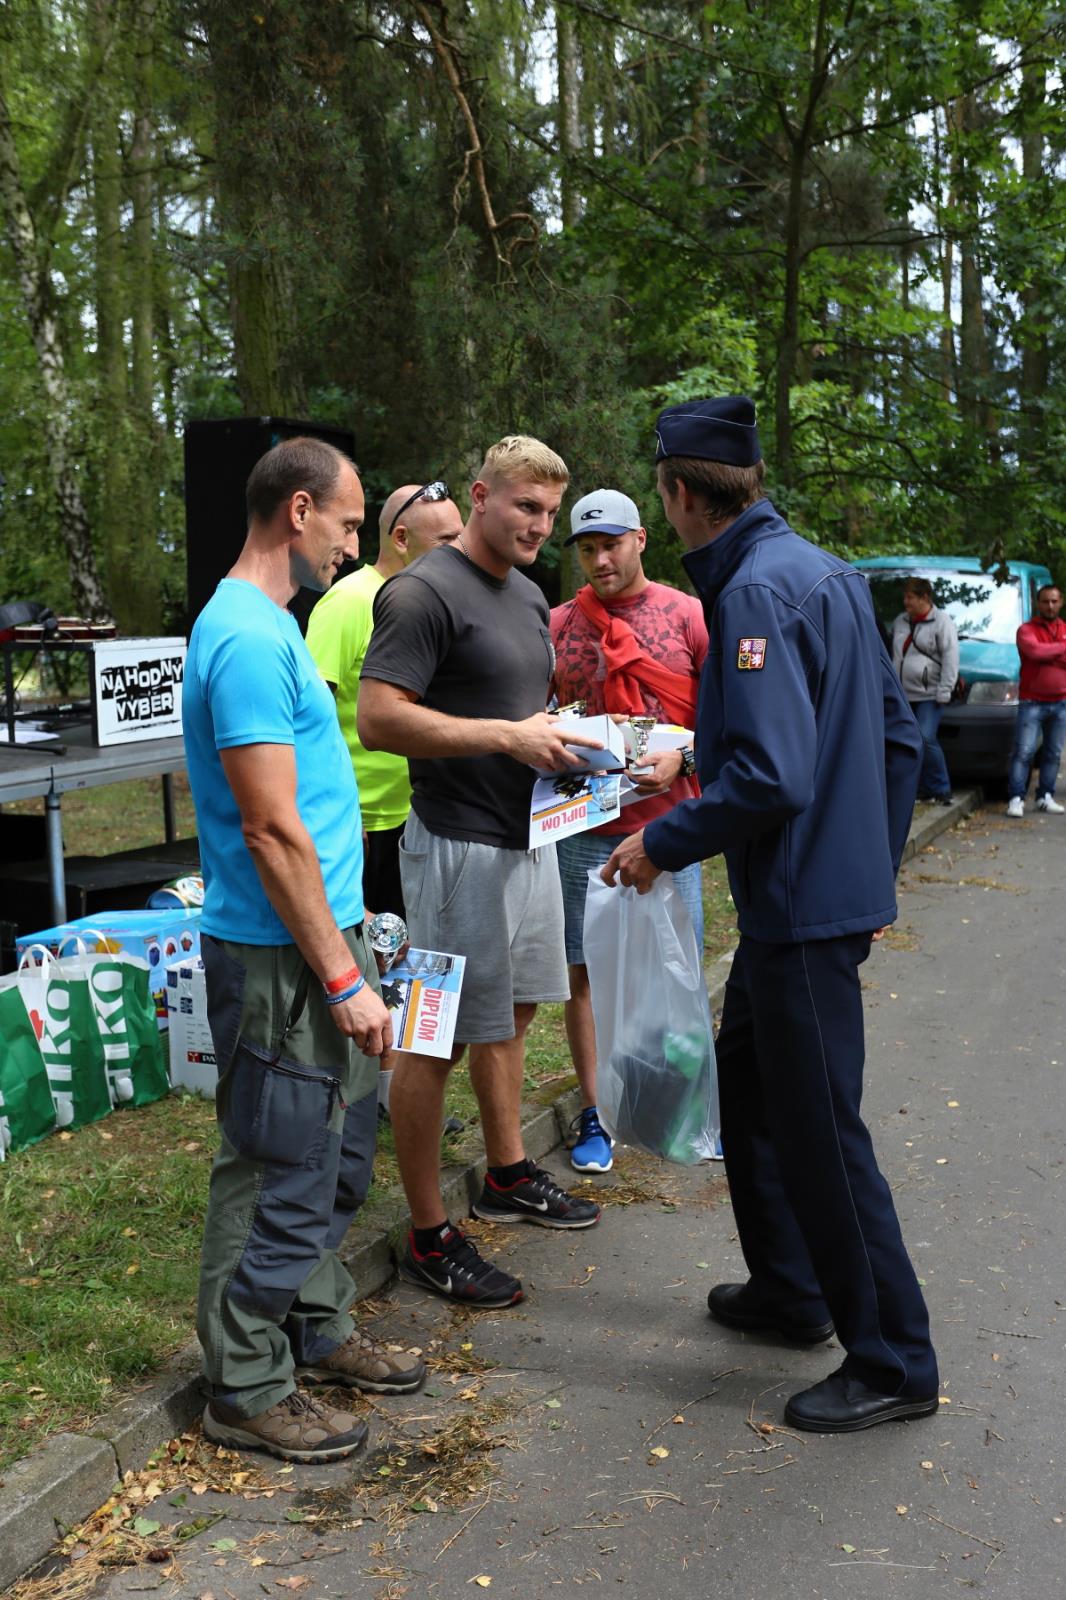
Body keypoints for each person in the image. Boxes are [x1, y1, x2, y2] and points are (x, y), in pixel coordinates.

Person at [603, 396, 939, 1434]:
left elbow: (772, 779)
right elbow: (894, 739)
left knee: (821, 1132)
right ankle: (790, 1287)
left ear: (674, 493)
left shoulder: (751, 593)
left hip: (796, 908)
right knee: (746, 1078)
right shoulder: (825, 572)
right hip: (816, 896)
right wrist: (867, 874)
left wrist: (657, 842)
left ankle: (890, 1358)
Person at [183, 437, 426, 1466]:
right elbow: (271, 829)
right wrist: (337, 977)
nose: (351, 539)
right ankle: (242, 1383)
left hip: (322, 938)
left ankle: (313, 1324)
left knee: (329, 1151)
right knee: (277, 1158)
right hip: (283, 955)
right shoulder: (242, 638)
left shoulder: (272, 627)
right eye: (345, 518)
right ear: (296, 510)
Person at [358, 435, 603, 1311]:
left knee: (516, 1011)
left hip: (529, 838)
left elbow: (517, 707)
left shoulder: (530, 593)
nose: (539, 524)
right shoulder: (421, 592)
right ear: (481, 497)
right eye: (524, 507)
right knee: (436, 1038)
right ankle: (429, 1234)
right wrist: (507, 737)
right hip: (453, 851)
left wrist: (569, 742)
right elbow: (380, 719)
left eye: (549, 511)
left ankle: (506, 1172)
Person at [549, 487, 708, 1173]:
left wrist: (688, 757)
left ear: (641, 538)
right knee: (587, 976)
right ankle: (597, 1113)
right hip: (584, 826)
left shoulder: (689, 615)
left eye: (610, 543)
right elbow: (538, 714)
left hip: (675, 828)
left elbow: (726, 718)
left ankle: (683, 1105)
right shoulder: (555, 624)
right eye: (587, 548)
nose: (599, 558)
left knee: (681, 971)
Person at [305, 482, 463, 1117]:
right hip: (367, 826)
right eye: (446, 540)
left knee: (418, 960)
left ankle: (407, 1094)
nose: (460, 548)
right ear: (402, 538)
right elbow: (310, 722)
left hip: (424, 818)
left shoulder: (438, 599)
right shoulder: (348, 604)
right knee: (377, 959)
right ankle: (375, 1098)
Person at [890, 577, 959, 805]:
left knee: (926, 738)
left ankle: (941, 788)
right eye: (904, 596)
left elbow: (951, 658)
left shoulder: (942, 622)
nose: (905, 601)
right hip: (904, 693)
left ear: (924, 598)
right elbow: (896, 656)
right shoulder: (901, 621)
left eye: (910, 597)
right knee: (907, 742)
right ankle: (919, 789)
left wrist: (945, 689)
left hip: (930, 693)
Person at [1005, 583, 1066, 818]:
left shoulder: (1063, 628)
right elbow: (1034, 653)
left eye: (1054, 601)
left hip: (1061, 702)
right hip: (1032, 701)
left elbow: (1042, 653)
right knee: (1024, 751)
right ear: (1038, 604)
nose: (1050, 605)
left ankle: (1045, 796)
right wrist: (1059, 651)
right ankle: (1016, 798)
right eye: (1045, 601)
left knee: (1053, 753)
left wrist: (1048, 652)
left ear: (1060, 603)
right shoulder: (1026, 630)